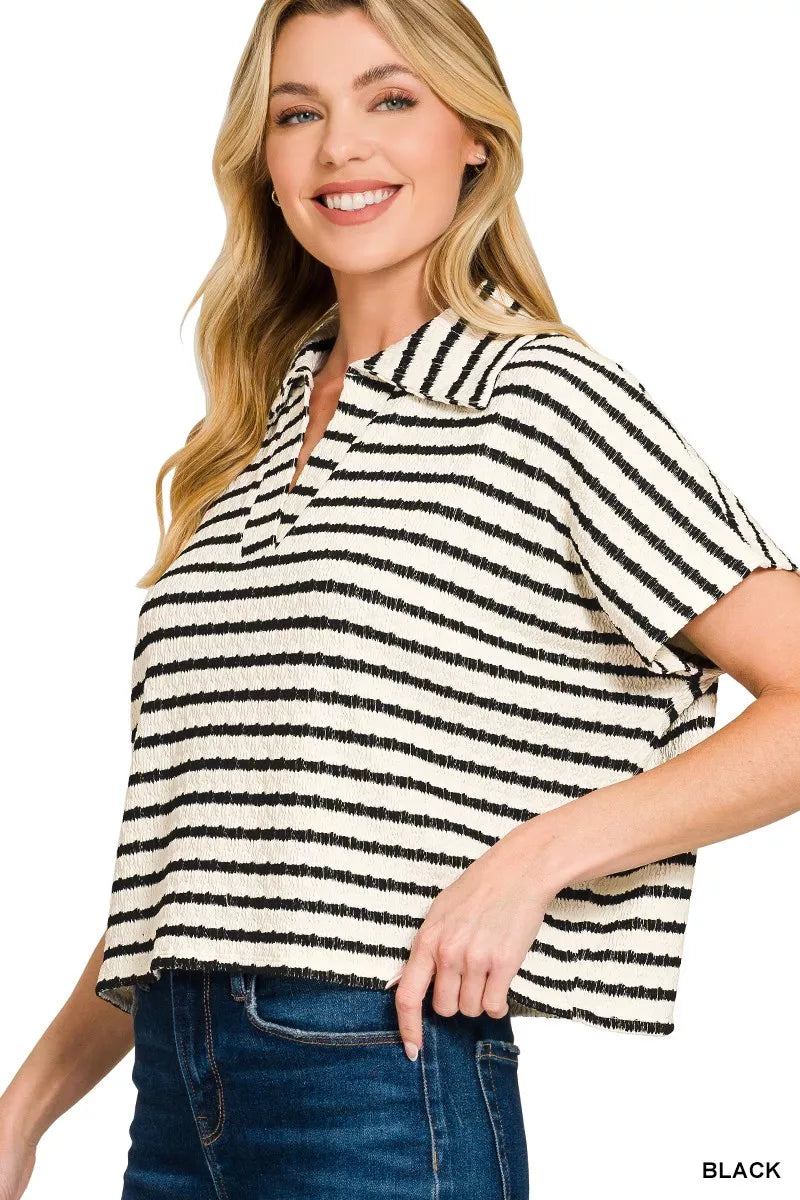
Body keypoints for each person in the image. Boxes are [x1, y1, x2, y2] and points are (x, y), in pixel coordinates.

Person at [2, 1, 799, 1197]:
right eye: (297, 115)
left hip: (375, 1075)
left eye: (389, 99)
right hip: (171, 1094)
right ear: (263, 161)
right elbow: (202, 862)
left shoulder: (540, 398)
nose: (339, 148)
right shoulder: (240, 447)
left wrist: (533, 859)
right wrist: (26, 1108)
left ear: (471, 135)